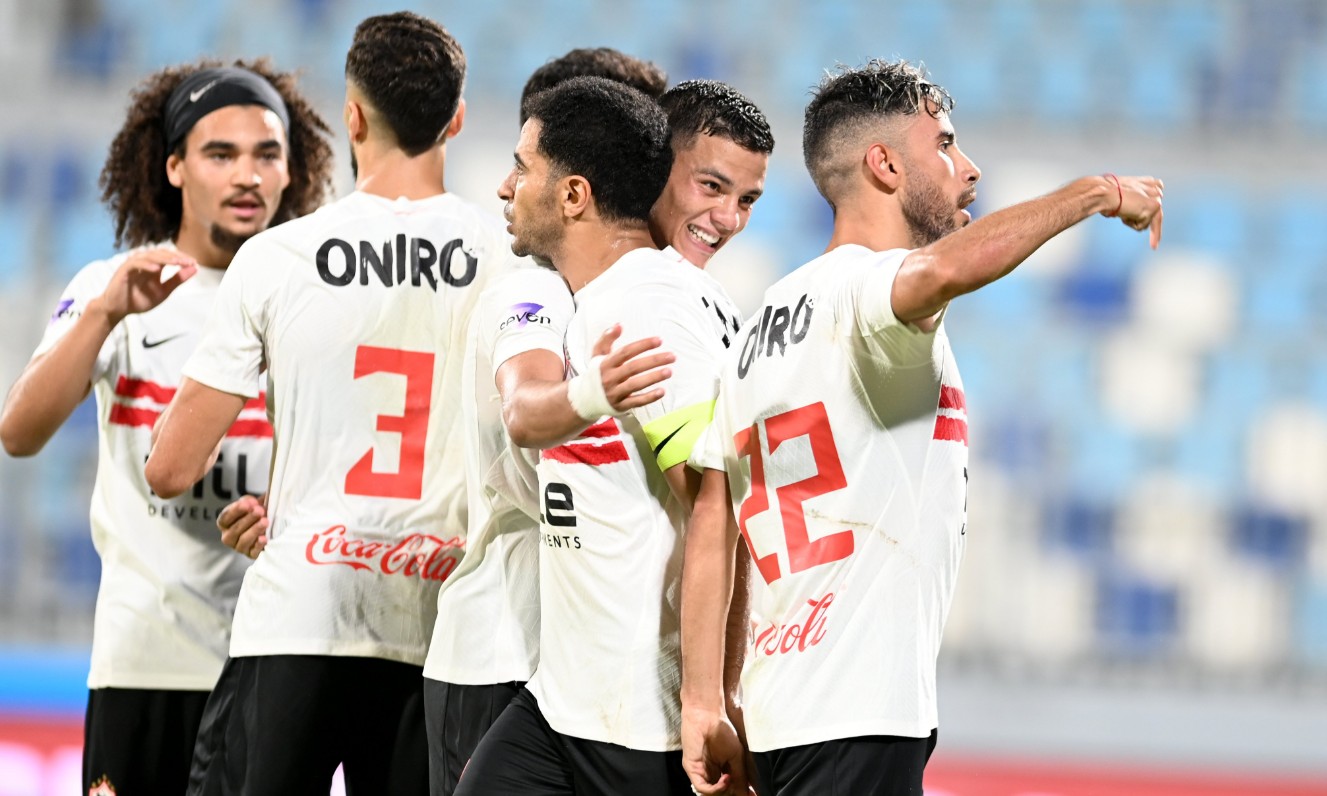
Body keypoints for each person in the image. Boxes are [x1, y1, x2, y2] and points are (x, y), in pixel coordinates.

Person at [680, 58, 1164, 796]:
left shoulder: (757, 326)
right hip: (858, 712)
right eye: (943, 144)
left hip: (782, 712)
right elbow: (937, 273)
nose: (968, 169)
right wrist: (1094, 193)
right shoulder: (867, 295)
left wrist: (714, 699)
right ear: (883, 165)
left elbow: (716, 522)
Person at [146, 12, 508, 794]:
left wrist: (286, 488)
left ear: (352, 118)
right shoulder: (510, 262)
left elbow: (171, 468)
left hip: (298, 615)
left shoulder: (276, 257)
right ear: (455, 120)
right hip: (440, 628)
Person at [0, 60, 331, 796]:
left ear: (291, 170)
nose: (247, 175)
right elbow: (19, 432)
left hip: (271, 660)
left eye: (266, 153)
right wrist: (104, 314)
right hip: (143, 661)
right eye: (221, 154)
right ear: (175, 167)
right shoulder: (112, 286)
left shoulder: (313, 300)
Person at [452, 76, 735, 796]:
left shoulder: (648, 312)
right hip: (563, 704)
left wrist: (706, 700)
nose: (506, 186)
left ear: (573, 194)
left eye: (523, 167)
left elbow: (718, 508)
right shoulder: (597, 301)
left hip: (639, 719)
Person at [419, 47, 671, 796]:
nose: (506, 185)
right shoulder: (532, 291)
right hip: (506, 649)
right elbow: (526, 409)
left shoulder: (620, 294)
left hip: (578, 669)